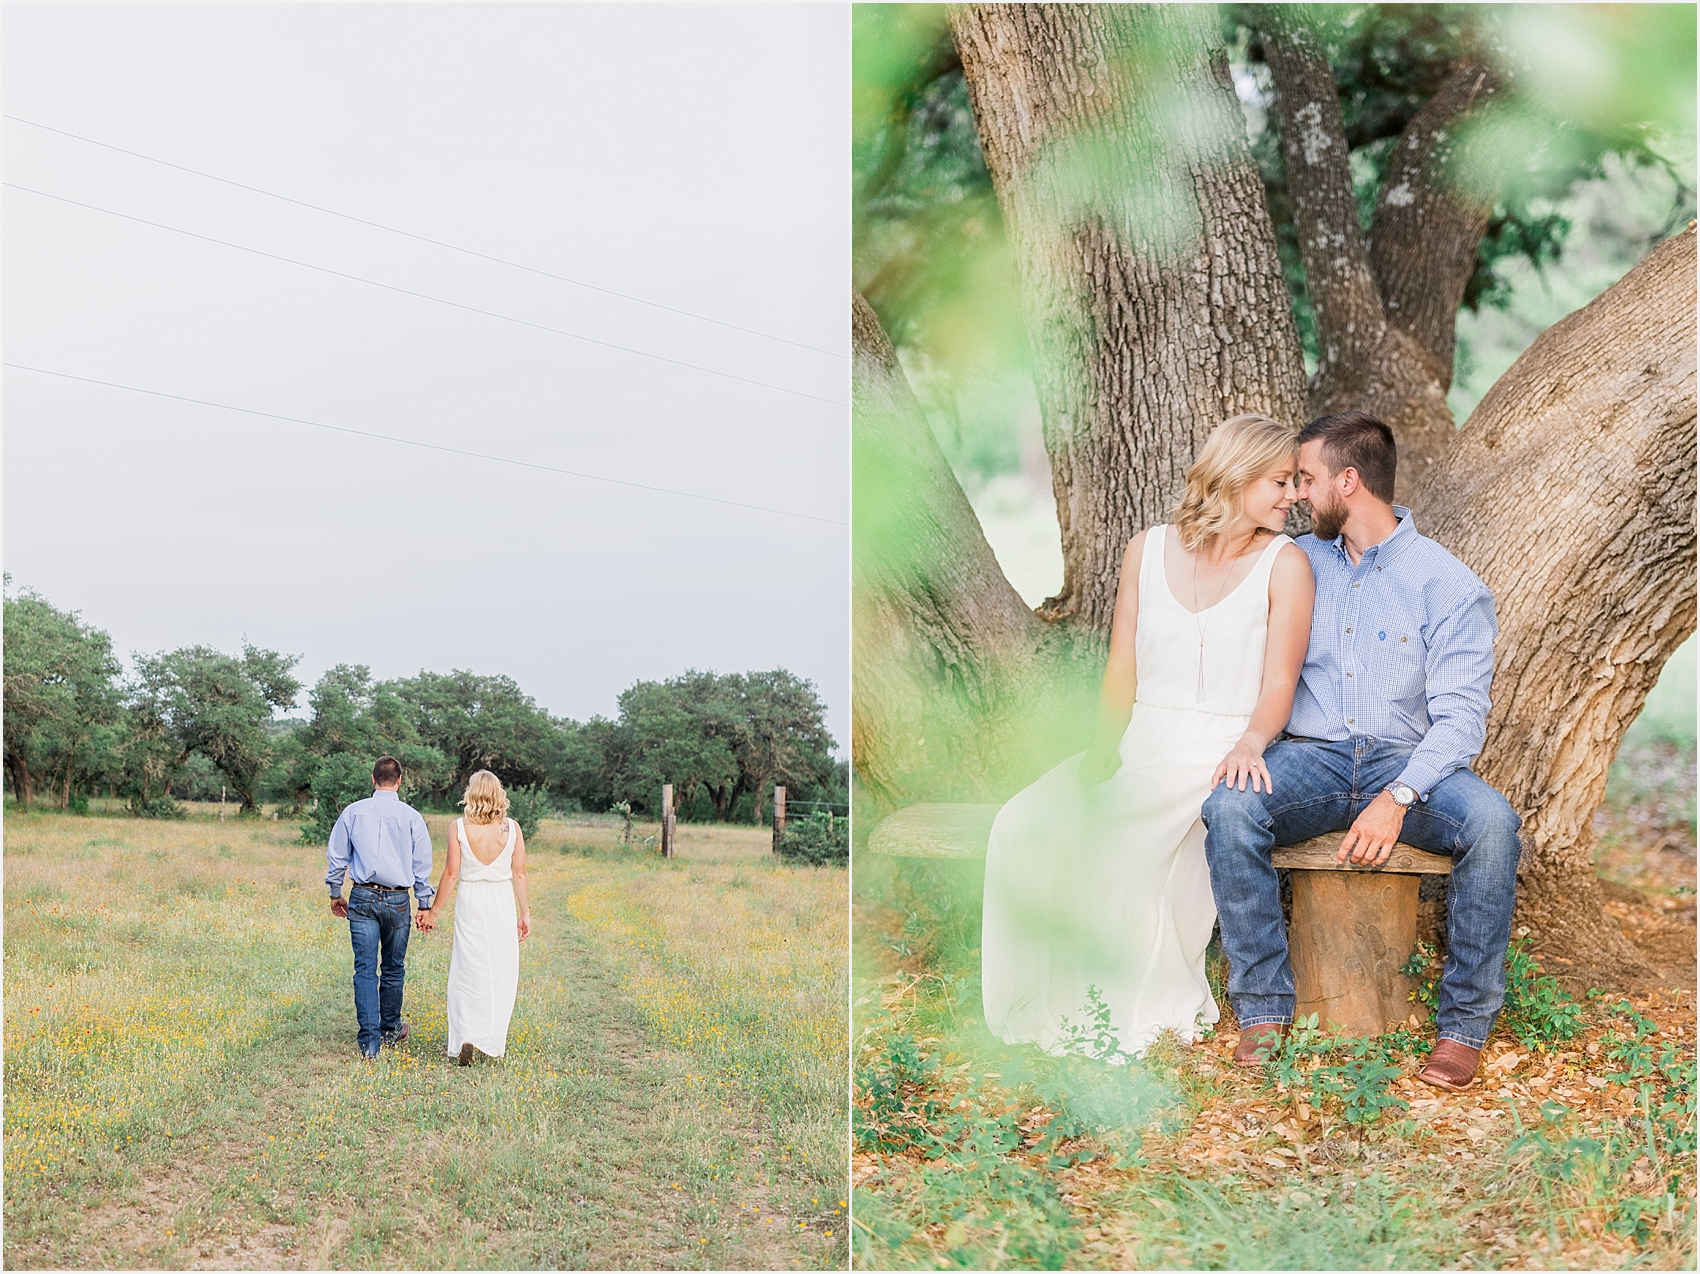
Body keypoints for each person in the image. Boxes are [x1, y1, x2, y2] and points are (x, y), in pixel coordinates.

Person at [1201, 411, 1522, 1091]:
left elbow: (1462, 721)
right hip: (1311, 758)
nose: (1296, 495)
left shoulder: (1447, 584)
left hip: (1409, 764)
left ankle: (1463, 1028)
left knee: (1493, 824)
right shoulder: (1294, 562)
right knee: (1231, 808)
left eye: (1308, 479)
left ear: (1349, 481)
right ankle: (1263, 1012)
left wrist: (1399, 795)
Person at [982, 414, 1315, 1058]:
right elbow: (1121, 665)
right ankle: (1038, 996)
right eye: (1280, 481)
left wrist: (1251, 741)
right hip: (1140, 737)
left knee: (1111, 836)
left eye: (1297, 483)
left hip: (1219, 750)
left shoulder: (1286, 564)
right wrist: (1104, 746)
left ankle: (1106, 1007)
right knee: (1022, 823)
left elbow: (1279, 684)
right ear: (1236, 476)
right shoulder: (1148, 548)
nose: (1293, 495)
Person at [416, 770, 531, 1065]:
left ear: (471, 794)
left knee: (467, 969)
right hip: (501, 901)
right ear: (499, 794)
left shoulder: (458, 828)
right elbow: (519, 873)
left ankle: (466, 1033)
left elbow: (451, 873)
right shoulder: (513, 829)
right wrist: (525, 912)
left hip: (471, 900)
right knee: (500, 971)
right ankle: (489, 1038)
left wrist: (434, 912)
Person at [325, 755, 436, 1060]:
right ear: (399, 781)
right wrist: (425, 904)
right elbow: (421, 867)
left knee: (364, 969)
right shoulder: (412, 817)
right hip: (399, 901)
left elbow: (338, 858)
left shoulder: (353, 812)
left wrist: (336, 894)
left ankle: (369, 1045)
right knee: (393, 968)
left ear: (372, 779)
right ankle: (389, 1031)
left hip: (361, 897)